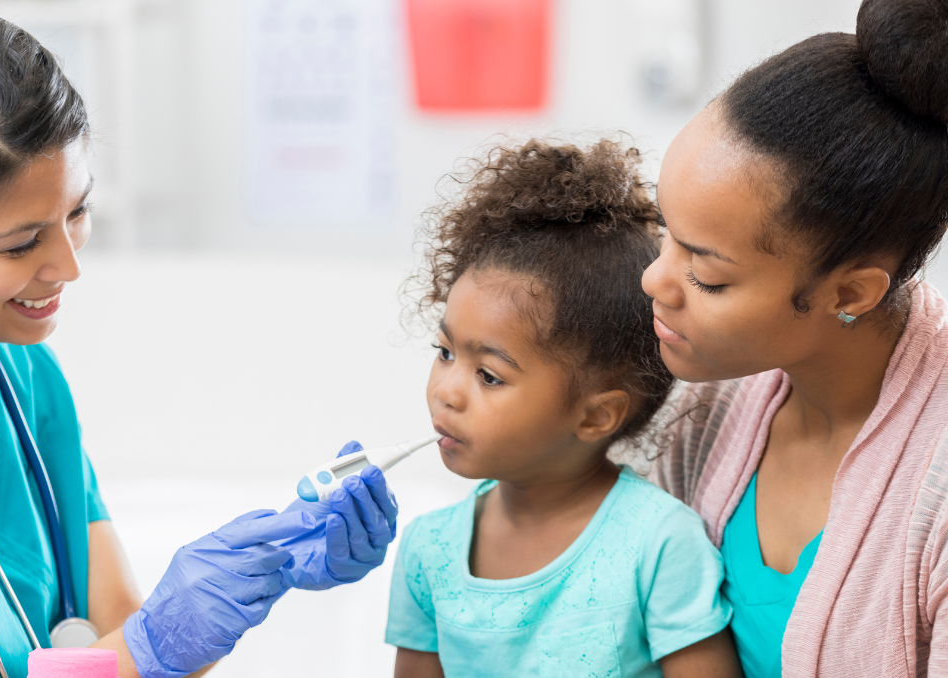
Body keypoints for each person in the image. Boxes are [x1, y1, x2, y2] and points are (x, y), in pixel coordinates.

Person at [0, 12, 397, 678]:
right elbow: (136, 654)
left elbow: (124, 641)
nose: (68, 266)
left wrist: (263, 574)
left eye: (77, 213)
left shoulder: (19, 367)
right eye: (21, 243)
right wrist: (155, 642)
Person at [641, 0, 948, 675]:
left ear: (849, 294)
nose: (653, 282)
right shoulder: (704, 412)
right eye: (663, 231)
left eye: (707, 275)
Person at [384, 139, 741, 678]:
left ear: (597, 416)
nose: (446, 391)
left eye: (488, 375)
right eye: (445, 353)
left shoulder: (660, 544)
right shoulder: (426, 550)